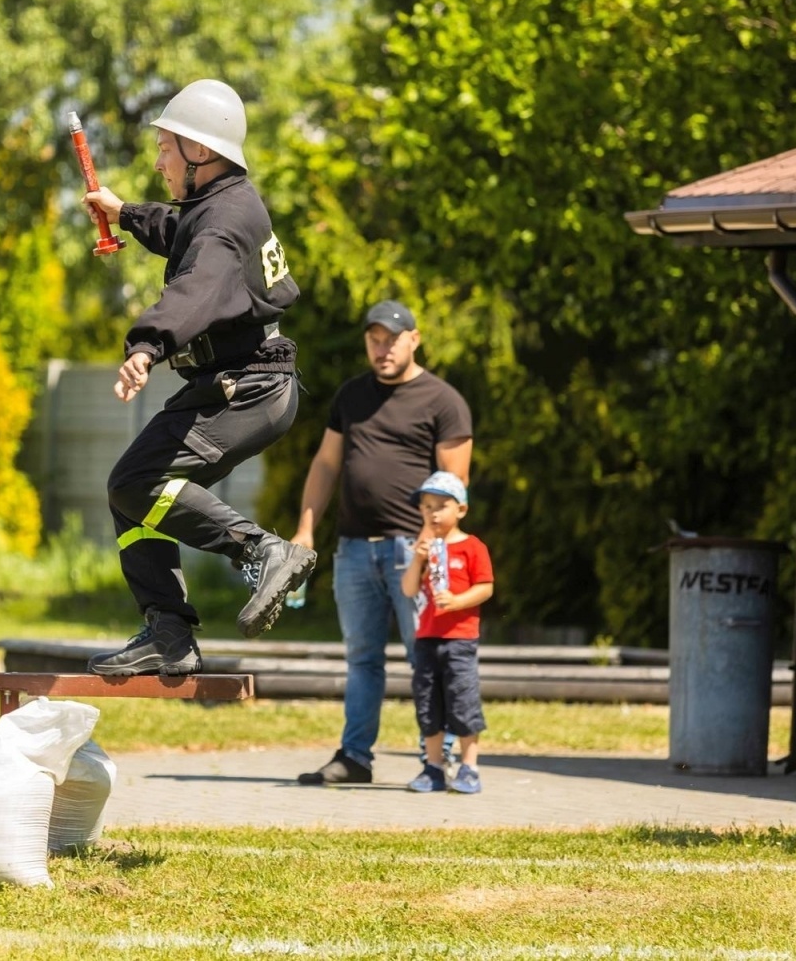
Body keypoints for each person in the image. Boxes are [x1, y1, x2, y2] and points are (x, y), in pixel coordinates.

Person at [80, 79, 317, 677]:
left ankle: (262, 551)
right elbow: (180, 232)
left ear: (201, 154)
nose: (158, 159)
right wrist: (124, 213)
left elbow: (195, 288)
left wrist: (145, 346)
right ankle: (168, 632)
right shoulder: (224, 204)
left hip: (246, 388)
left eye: (166, 147)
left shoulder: (220, 226)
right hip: (247, 385)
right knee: (130, 491)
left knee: (134, 482)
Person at [292, 300, 473, 785]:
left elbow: (455, 484)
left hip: (411, 552)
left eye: (392, 338)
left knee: (426, 657)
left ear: (414, 339)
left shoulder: (443, 401)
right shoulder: (351, 396)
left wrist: (425, 545)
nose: (382, 348)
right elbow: (327, 464)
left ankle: (441, 760)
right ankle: (354, 758)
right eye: (374, 339)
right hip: (353, 549)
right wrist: (306, 528)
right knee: (362, 659)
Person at [399, 471, 493, 794]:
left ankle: (470, 767)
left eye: (441, 506)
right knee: (428, 703)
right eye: (427, 507)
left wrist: (456, 601)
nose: (433, 513)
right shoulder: (425, 548)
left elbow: (485, 588)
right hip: (426, 639)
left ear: (461, 510)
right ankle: (434, 768)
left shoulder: (472, 547)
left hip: (460, 641)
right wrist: (417, 560)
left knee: (462, 702)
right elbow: (409, 589)